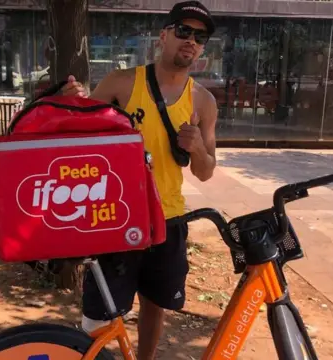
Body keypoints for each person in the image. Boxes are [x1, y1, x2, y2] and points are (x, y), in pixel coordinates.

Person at [62, 2, 218, 359]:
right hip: (114, 217)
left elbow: (206, 172)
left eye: (200, 36)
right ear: (163, 36)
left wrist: (196, 148)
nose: (190, 40)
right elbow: (82, 135)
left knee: (154, 304)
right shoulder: (122, 82)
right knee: (99, 314)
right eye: (182, 30)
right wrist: (72, 104)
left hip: (168, 218)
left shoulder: (204, 102)